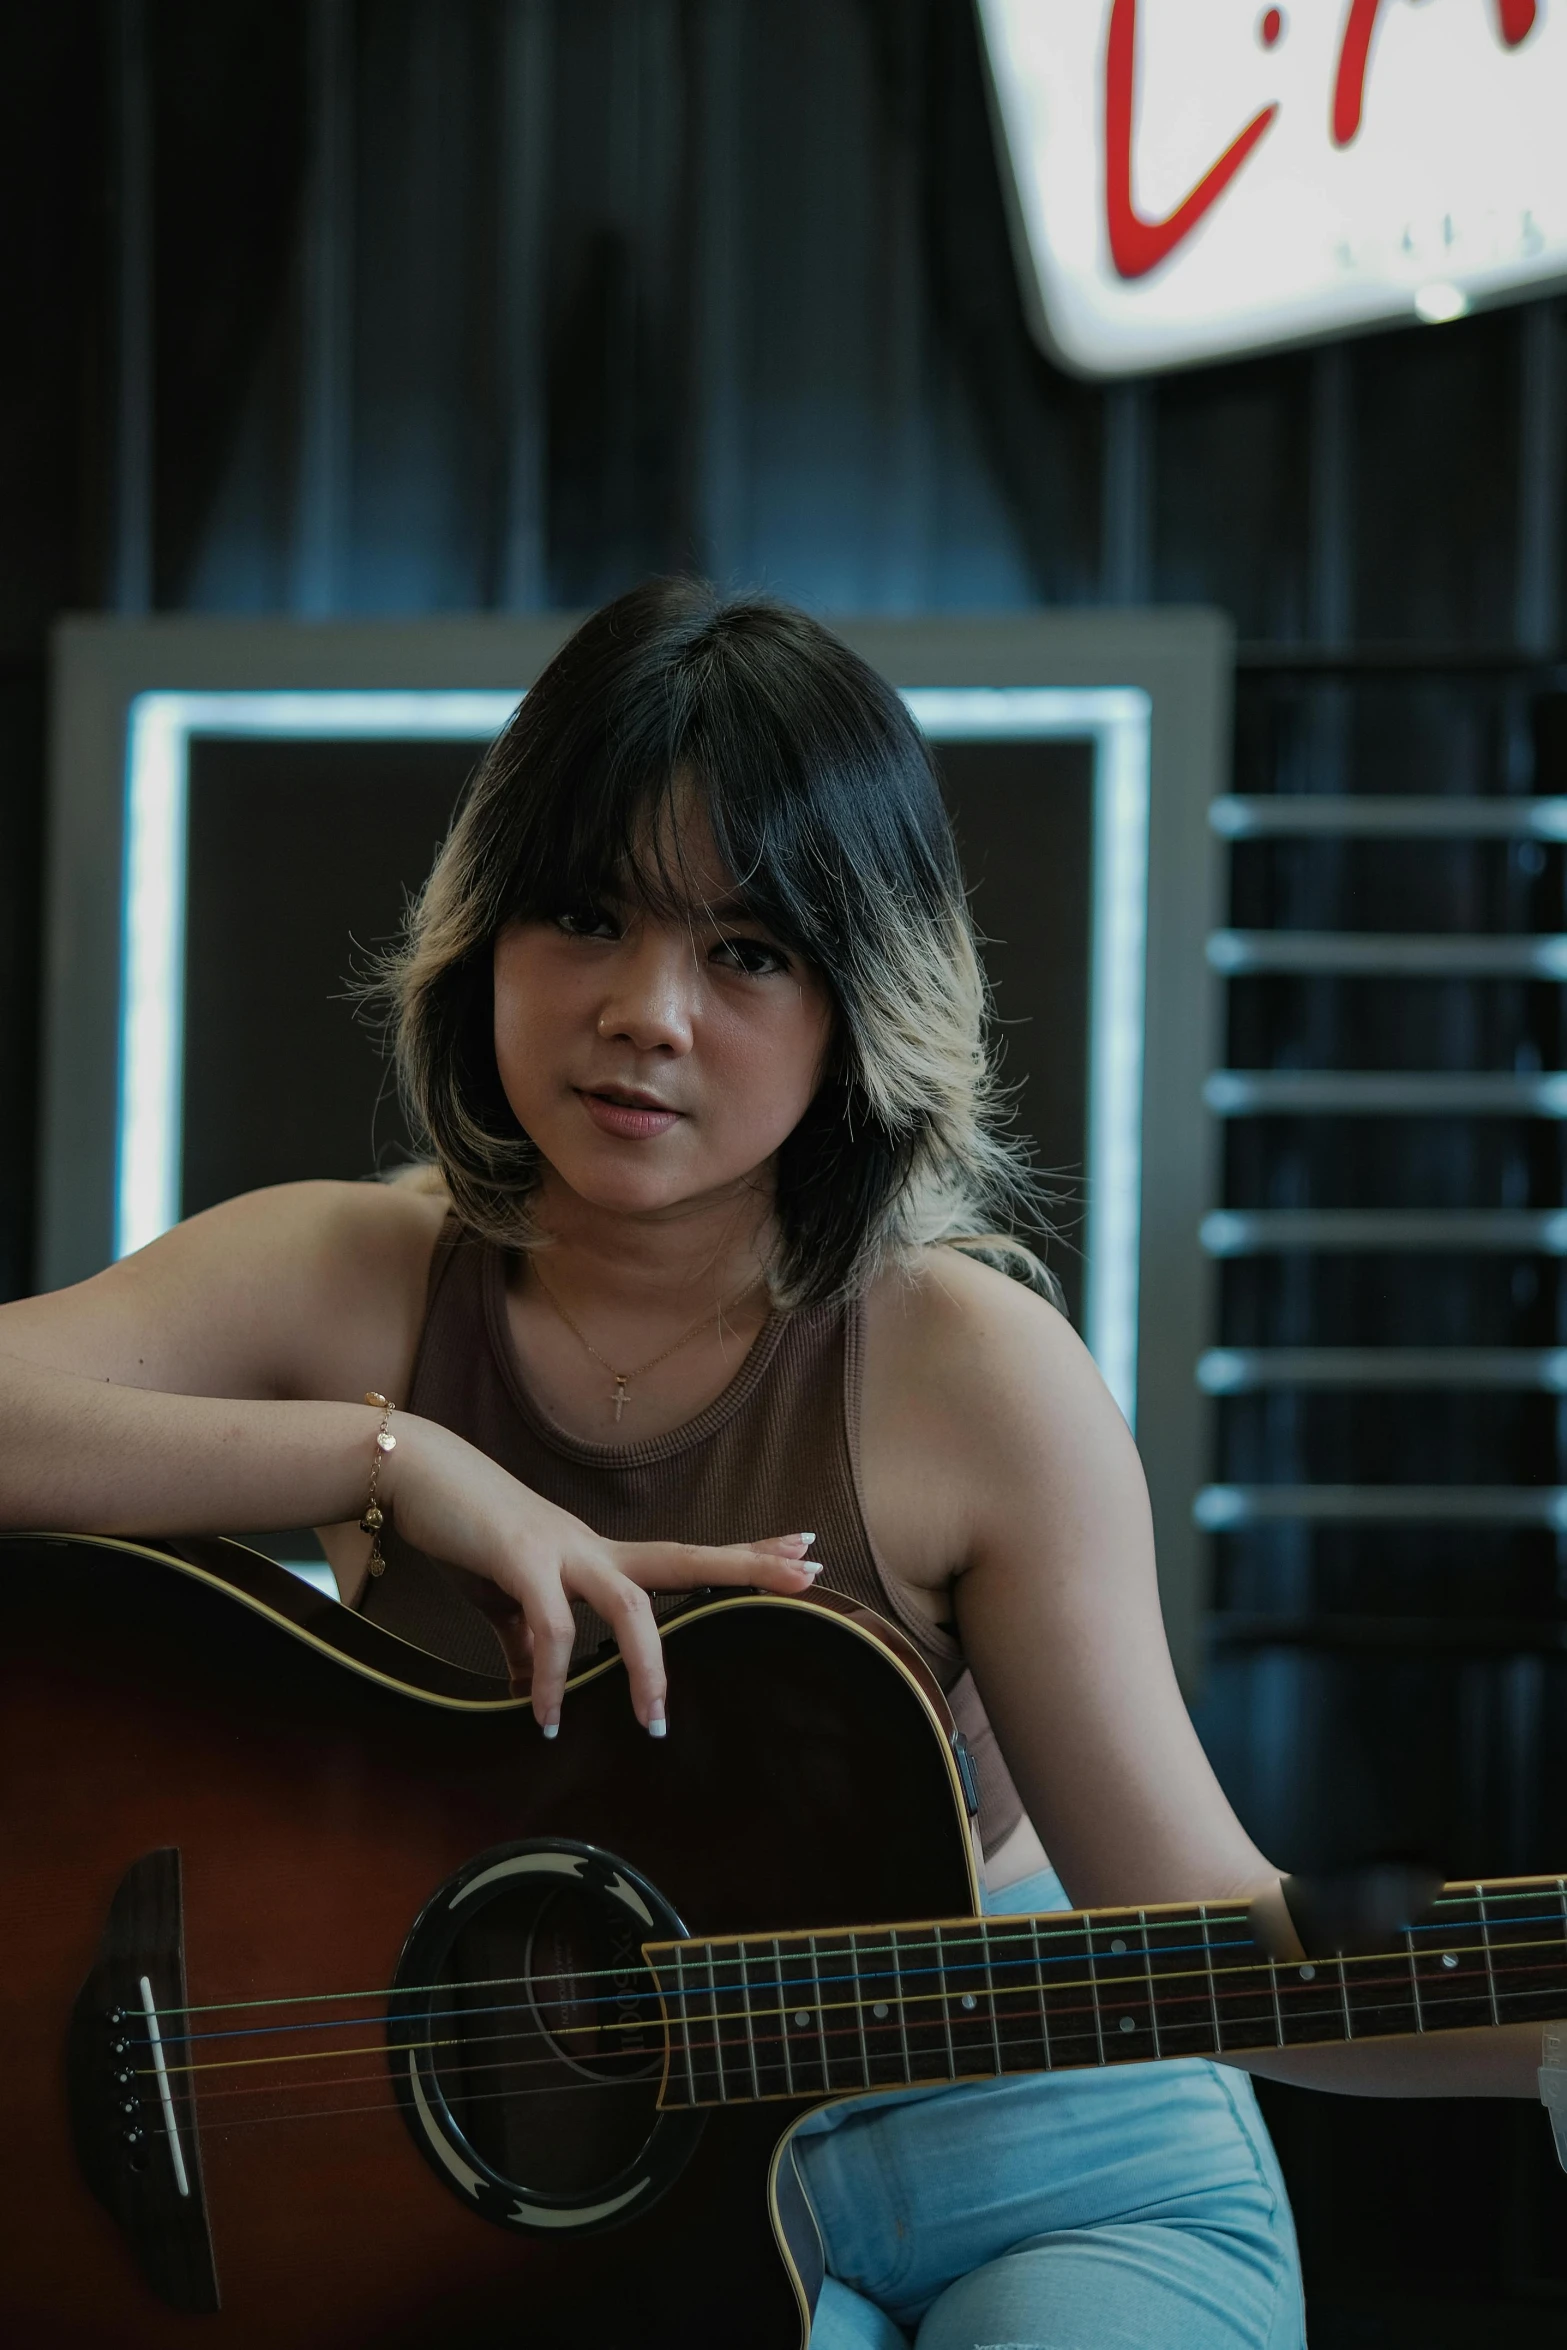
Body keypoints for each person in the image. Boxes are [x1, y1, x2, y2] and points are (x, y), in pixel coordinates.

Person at [0, 581, 1543, 2350]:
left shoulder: (976, 1371)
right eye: (583, 914)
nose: (645, 1011)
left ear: (855, 994)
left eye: (746, 950)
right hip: (552, 2171)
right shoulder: (342, 1282)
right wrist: (400, 1456)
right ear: (488, 933)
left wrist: (1542, 2028)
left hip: (1033, 2130)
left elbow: (1214, 1936)